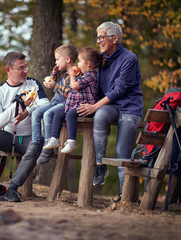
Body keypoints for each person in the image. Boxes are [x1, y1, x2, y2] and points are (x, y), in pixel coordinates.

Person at [77, 22, 143, 201]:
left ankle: (124, 196)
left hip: (130, 107)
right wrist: (65, 72)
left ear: (115, 38)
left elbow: (119, 90)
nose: (98, 41)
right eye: (97, 37)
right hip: (110, 107)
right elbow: (84, 70)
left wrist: (95, 105)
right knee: (100, 115)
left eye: (101, 37)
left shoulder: (129, 58)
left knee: (122, 150)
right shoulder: (101, 59)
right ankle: (100, 165)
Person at [0, 52, 49, 202]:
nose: (25, 71)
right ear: (8, 70)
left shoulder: (33, 84)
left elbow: (46, 103)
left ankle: (12, 189)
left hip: (29, 138)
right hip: (7, 137)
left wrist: (28, 111)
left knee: (37, 143)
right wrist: (16, 106)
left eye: (26, 67)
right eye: (21, 68)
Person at [23, 43, 78, 165]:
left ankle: (49, 145)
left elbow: (71, 94)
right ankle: (36, 143)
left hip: (65, 104)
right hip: (55, 101)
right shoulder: (63, 73)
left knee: (48, 114)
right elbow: (57, 88)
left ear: (68, 59)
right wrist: (54, 75)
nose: (56, 62)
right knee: (36, 112)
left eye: (58, 59)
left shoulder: (76, 74)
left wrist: (55, 85)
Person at [43, 47, 101, 154]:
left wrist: (72, 76)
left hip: (85, 107)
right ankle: (54, 138)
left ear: (88, 63)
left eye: (80, 62)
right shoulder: (83, 75)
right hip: (74, 105)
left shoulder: (91, 75)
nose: (78, 64)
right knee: (58, 113)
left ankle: (71, 141)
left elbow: (74, 86)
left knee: (70, 115)